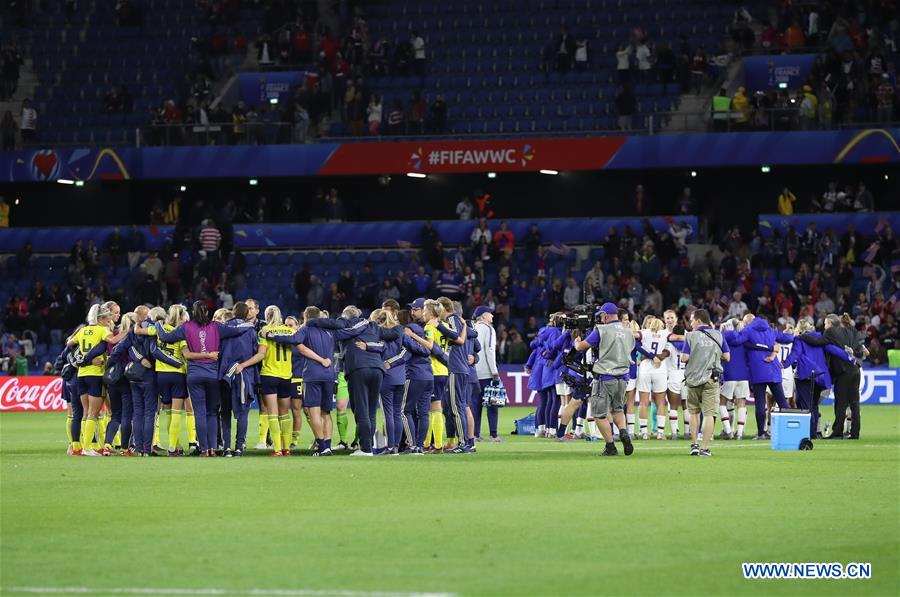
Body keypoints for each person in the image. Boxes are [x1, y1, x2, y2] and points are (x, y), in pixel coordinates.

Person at [153, 301, 254, 457]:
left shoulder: (185, 327)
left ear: (193, 313)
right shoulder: (216, 326)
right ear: (207, 312)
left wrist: (159, 323)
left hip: (194, 375)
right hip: (212, 375)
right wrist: (250, 324)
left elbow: (165, 336)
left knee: (199, 412)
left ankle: (205, 449)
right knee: (212, 413)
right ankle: (213, 448)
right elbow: (236, 331)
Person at [306, 305, 402, 455]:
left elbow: (331, 324)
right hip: (377, 369)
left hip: (358, 368)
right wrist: (396, 322)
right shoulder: (373, 326)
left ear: (345, 316)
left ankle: (365, 448)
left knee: (361, 409)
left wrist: (311, 322)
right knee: (371, 411)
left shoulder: (345, 323)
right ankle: (368, 447)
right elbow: (395, 333)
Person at [268, 305, 338, 456]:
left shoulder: (305, 329)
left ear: (305, 317)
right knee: (326, 413)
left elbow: (294, 339)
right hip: (330, 375)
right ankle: (328, 445)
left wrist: (272, 335)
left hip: (312, 375)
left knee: (314, 412)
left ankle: (322, 446)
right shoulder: (329, 331)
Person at [573, 303, 636, 456]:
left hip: (605, 377)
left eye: (601, 316)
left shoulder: (601, 330)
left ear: (606, 315)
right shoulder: (628, 331)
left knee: (599, 414)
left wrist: (576, 342)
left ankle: (610, 446)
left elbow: (582, 347)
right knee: (618, 410)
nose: (601, 319)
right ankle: (623, 432)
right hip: (623, 377)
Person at [796, 313, 864, 439]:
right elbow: (860, 350)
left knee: (841, 403)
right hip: (855, 370)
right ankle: (855, 432)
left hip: (843, 372)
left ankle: (837, 432)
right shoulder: (850, 332)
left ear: (831, 324)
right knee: (854, 402)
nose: (824, 326)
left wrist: (802, 335)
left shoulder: (830, 332)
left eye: (826, 323)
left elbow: (818, 342)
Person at [67, 305, 117, 456]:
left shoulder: (82, 330)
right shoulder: (102, 330)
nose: (109, 323)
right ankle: (87, 448)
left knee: (85, 413)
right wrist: (127, 332)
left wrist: (83, 354)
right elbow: (113, 340)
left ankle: (83, 446)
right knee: (93, 414)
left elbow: (69, 343)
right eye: (108, 320)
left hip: (81, 375)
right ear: (100, 319)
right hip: (95, 375)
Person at [681, 308, 729, 456]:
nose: (690, 323)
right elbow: (727, 356)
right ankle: (705, 448)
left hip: (693, 379)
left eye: (692, 320)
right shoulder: (718, 335)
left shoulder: (690, 336)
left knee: (694, 412)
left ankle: (694, 445)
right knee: (709, 414)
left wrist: (697, 356)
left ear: (699, 320)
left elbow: (684, 358)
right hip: (711, 379)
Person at [400, 299, 437, 454]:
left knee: (404, 411)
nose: (412, 312)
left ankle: (412, 444)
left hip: (415, 374)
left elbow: (424, 350)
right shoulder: (429, 327)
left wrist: (408, 337)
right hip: (429, 374)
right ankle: (420, 446)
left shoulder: (411, 329)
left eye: (415, 309)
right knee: (423, 413)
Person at [473, 306, 501, 441]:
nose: (492, 316)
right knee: (492, 403)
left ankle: (475, 434)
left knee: (475, 405)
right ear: (483, 315)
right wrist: (495, 372)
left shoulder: (473, 328)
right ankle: (493, 435)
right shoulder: (488, 328)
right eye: (490, 313)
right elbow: (489, 350)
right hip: (486, 373)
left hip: (473, 372)